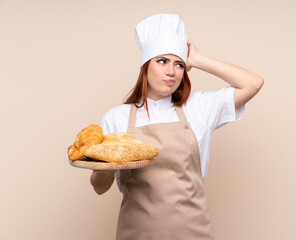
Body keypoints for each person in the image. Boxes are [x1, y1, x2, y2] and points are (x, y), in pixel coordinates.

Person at [90, 14, 264, 240]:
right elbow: (99, 187)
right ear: (145, 65)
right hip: (137, 234)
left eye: (179, 64)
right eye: (162, 61)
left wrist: (198, 60)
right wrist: (109, 166)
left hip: (192, 233)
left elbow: (253, 83)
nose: (172, 72)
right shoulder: (117, 118)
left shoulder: (199, 108)